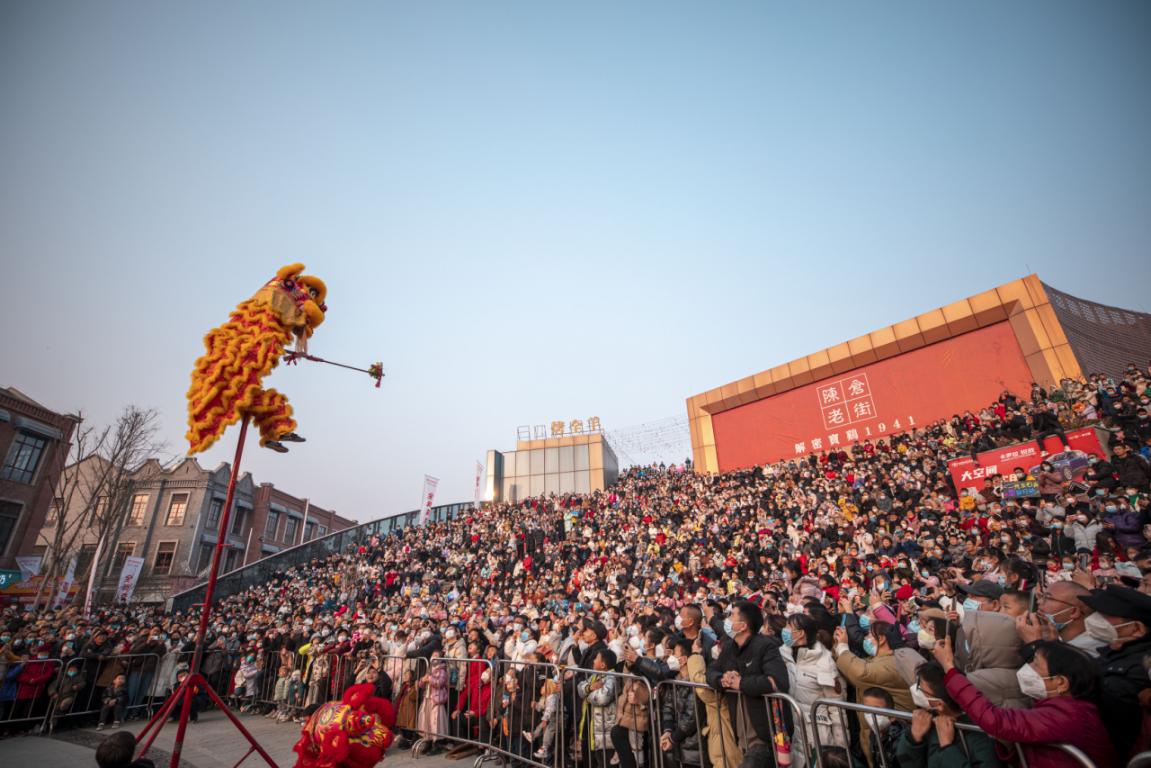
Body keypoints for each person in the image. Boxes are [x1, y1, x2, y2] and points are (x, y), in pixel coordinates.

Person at [934, 636, 1115, 768]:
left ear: (1060, 682)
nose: (1028, 669)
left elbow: (995, 720)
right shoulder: (1060, 708)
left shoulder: (1070, 714)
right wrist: (1010, 746)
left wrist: (949, 667)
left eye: (1036, 665)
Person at [706, 600, 789, 761]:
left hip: (763, 732)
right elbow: (710, 670)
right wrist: (721, 679)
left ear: (743, 626)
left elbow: (778, 682)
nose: (727, 620)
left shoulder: (766, 646)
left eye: (731, 616)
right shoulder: (729, 647)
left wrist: (741, 683)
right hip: (740, 729)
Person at [1079, 584, 1151, 760]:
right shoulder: (1113, 652)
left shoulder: (1135, 671)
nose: (1095, 619)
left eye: (1105, 615)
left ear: (1137, 629)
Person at [895, 661, 1000, 768]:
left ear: (939, 704)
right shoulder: (927, 723)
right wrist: (913, 739)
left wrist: (947, 748)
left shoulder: (978, 734)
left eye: (920, 688)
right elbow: (906, 762)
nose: (915, 690)